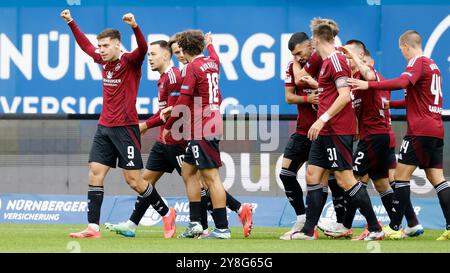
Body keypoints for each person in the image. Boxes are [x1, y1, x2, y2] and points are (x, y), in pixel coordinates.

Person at [348, 30, 449, 240]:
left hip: (420, 130)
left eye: (401, 50)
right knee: (437, 178)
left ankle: (394, 227)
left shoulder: (417, 62)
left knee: (400, 177)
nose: (402, 53)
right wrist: (390, 104)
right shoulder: (433, 66)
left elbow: (402, 83)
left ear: (405, 46)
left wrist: (369, 85)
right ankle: (448, 226)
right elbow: (419, 100)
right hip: (435, 128)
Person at [61, 10, 150, 239]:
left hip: (126, 127)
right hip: (104, 127)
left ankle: (166, 211)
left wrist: (135, 26)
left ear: (117, 45)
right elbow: (85, 47)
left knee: (134, 181)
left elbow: (143, 49)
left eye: (105, 46)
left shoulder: (130, 61)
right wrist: (71, 22)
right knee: (95, 173)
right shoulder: (103, 60)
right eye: (99, 46)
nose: (100, 50)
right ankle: (93, 228)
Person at [292, 21, 383, 240]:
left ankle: (375, 227)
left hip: (335, 129)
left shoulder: (336, 60)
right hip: (325, 131)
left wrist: (321, 119)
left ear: (315, 40)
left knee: (345, 180)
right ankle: (307, 231)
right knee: (313, 174)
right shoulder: (325, 62)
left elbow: (344, 95)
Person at [166, 32, 253, 238]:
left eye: (180, 51)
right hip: (210, 124)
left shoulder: (193, 67)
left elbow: (184, 100)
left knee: (211, 178)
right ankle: (196, 223)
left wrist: (170, 125)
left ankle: (222, 228)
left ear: (185, 51)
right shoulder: (212, 62)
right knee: (188, 172)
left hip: (202, 127)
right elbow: (216, 57)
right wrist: (211, 45)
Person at [104, 40, 181, 238]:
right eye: (148, 56)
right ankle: (131, 225)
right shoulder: (163, 78)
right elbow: (163, 112)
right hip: (164, 141)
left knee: (202, 185)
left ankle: (232, 214)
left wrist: (145, 125)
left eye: (153, 55)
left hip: (179, 139)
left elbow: (171, 112)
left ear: (165, 55)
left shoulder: (173, 76)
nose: (149, 59)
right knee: (144, 182)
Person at [279, 32, 319, 240]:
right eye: (294, 54)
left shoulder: (324, 60)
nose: (298, 57)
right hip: (303, 129)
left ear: (310, 45)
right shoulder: (291, 65)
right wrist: (307, 98)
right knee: (286, 174)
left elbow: (303, 78)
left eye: (299, 52)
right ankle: (302, 219)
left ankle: (340, 222)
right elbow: (288, 97)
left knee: (325, 179)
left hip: (324, 130)